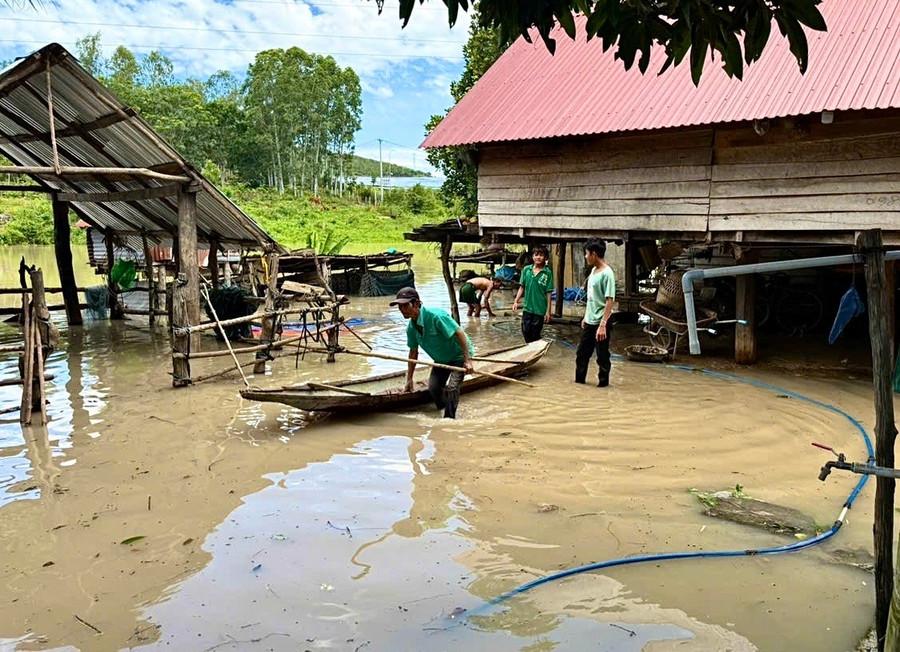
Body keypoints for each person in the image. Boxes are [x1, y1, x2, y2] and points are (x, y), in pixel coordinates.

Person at [390, 287, 474, 419]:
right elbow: (413, 354)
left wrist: (467, 360)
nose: (402, 310)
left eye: (405, 305)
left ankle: (449, 419)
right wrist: (409, 379)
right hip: (441, 360)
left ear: (417, 303)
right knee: (434, 388)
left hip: (458, 356)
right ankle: (442, 410)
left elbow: (459, 333)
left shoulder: (436, 316)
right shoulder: (411, 328)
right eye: (400, 307)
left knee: (452, 387)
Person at [576, 239, 616, 387]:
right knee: (581, 354)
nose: (585, 257)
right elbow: (591, 298)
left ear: (593, 254)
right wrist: (586, 317)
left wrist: (603, 325)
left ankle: (603, 387)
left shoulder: (607, 273)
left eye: (586, 254)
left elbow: (609, 300)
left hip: (601, 322)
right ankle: (579, 384)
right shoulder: (593, 271)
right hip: (589, 321)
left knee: (602, 357)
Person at [512, 245, 554, 342]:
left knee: (535, 333)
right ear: (533, 257)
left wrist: (548, 312)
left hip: (540, 309)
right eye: (536, 255)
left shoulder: (547, 273)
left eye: (541, 255)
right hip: (527, 307)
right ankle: (531, 349)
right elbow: (522, 287)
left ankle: (536, 349)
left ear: (545, 257)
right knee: (525, 331)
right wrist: (516, 301)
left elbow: (549, 293)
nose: (538, 257)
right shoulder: (526, 269)